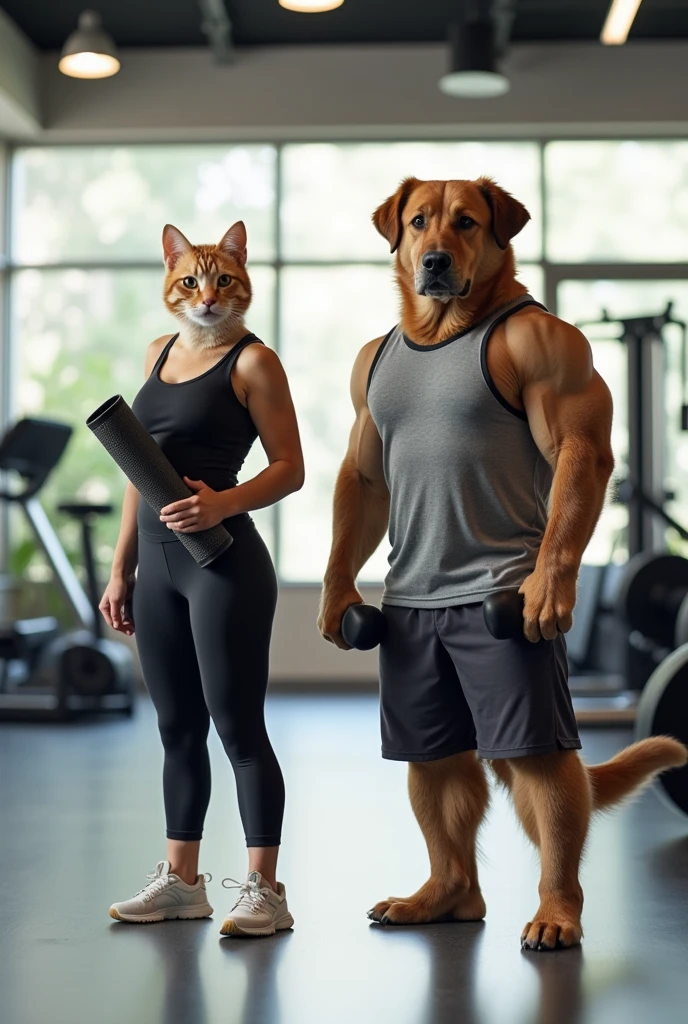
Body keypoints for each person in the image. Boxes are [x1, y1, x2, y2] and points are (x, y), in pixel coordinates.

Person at [318, 176, 686, 950]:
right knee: (434, 756)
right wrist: (338, 579)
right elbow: (362, 478)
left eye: (463, 226)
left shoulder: (535, 338)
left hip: (502, 594)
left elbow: (582, 455)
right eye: (421, 225)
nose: (439, 244)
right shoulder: (374, 360)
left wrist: (556, 567)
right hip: (410, 596)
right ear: (398, 237)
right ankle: (452, 883)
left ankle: (560, 896)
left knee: (535, 757)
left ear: (495, 238)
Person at [101, 221, 304, 938]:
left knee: (238, 728)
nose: (208, 294)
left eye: (222, 279)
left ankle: (265, 892)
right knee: (175, 728)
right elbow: (138, 463)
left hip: (223, 566)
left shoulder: (254, 362)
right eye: (192, 279)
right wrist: (121, 565)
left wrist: (221, 500)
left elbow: (290, 468)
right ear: (171, 279)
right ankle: (182, 883)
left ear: (243, 280)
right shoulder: (158, 353)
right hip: (156, 568)